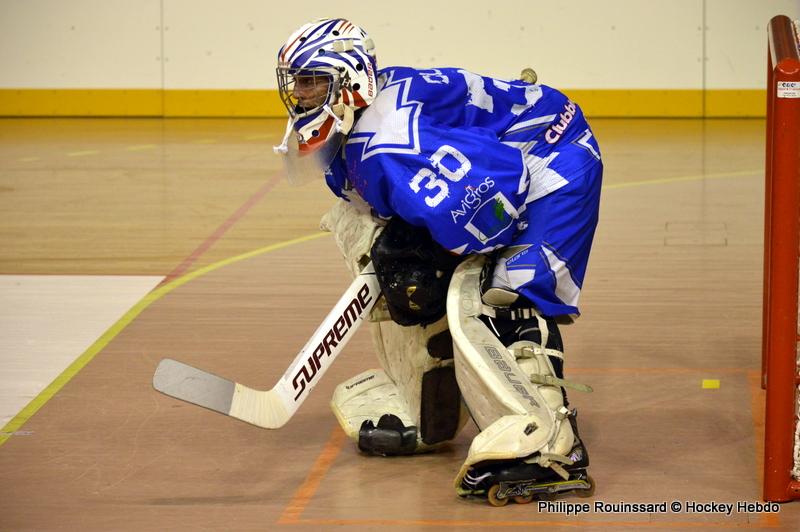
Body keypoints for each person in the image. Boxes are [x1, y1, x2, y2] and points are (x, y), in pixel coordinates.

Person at [274, 18, 602, 506]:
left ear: (350, 80)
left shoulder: (388, 144)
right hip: (508, 161)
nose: (301, 95)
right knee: (381, 251)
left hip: (552, 159)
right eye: (296, 83)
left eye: (313, 81)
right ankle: (426, 406)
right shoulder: (363, 123)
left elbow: (497, 206)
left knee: (506, 293)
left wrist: (441, 253)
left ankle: (552, 446)